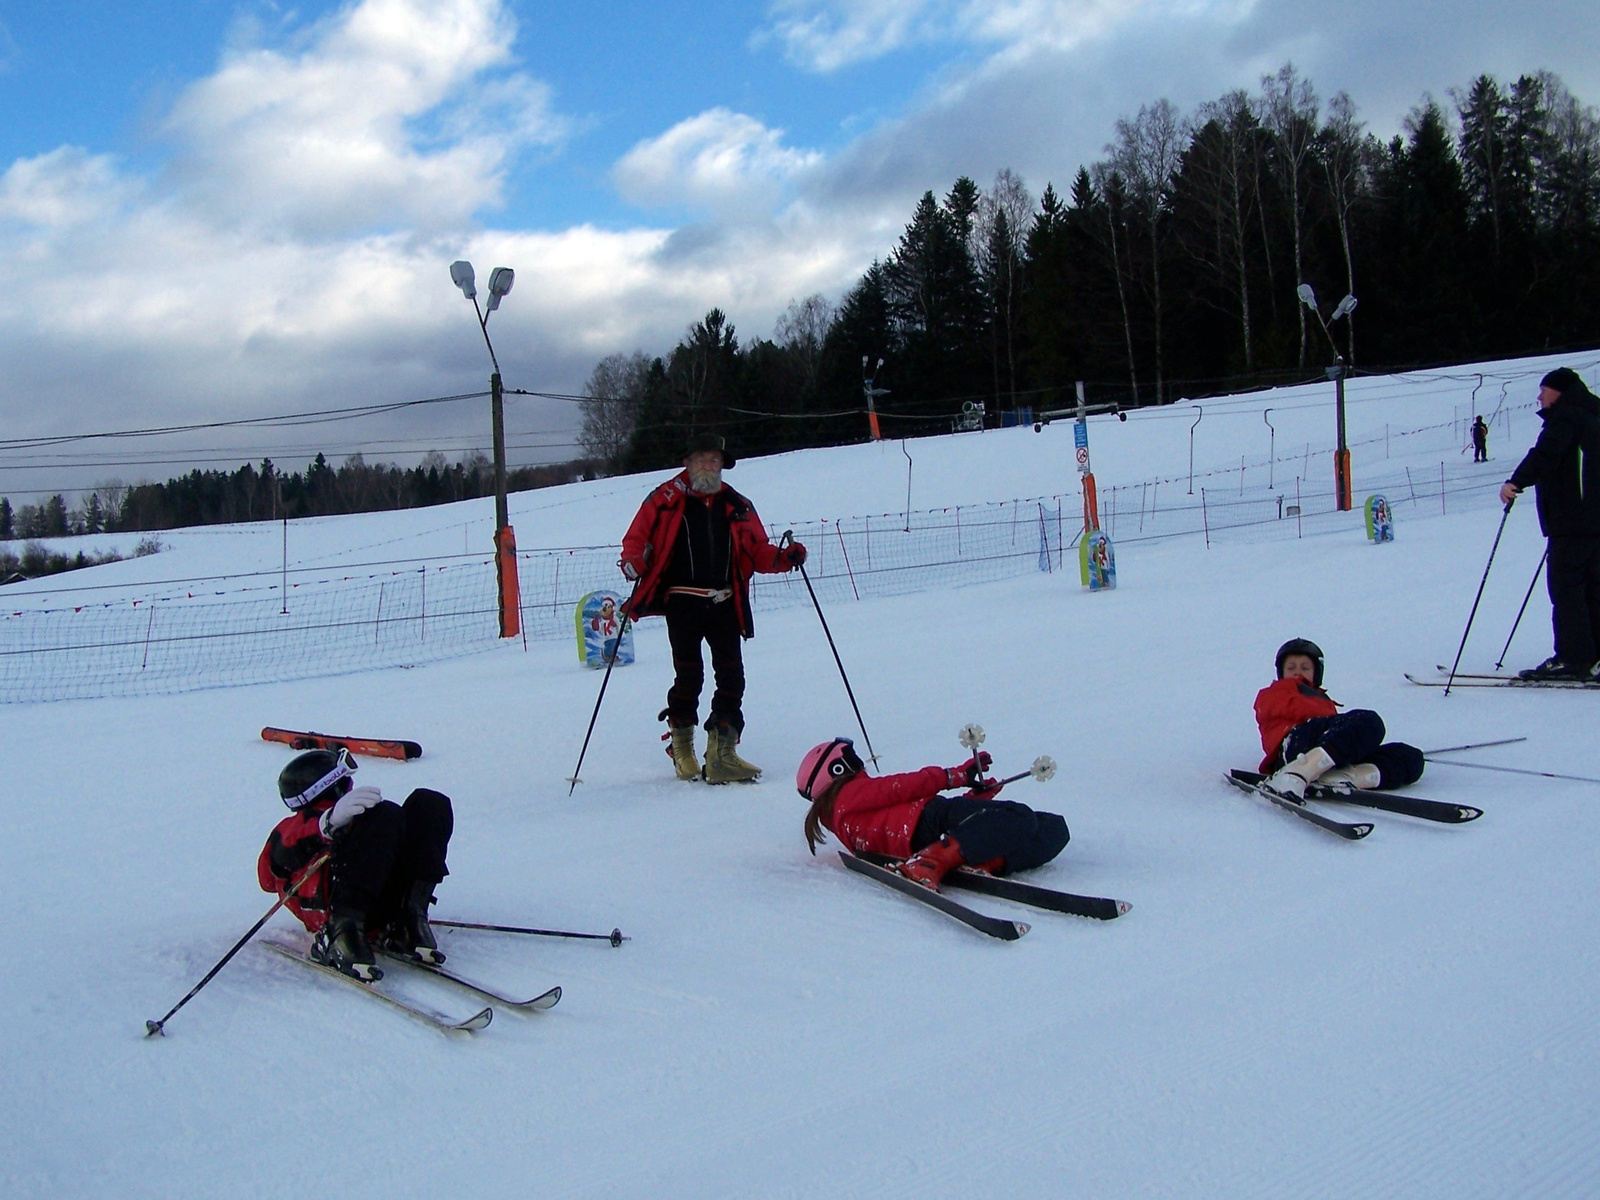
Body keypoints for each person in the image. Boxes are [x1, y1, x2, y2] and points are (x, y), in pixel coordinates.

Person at [620, 434, 807, 783]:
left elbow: (757, 550)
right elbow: (636, 539)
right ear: (687, 463)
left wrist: (784, 559)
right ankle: (682, 747)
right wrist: (633, 561)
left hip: (723, 601)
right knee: (689, 676)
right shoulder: (663, 499)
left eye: (714, 460)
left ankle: (722, 753)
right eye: (701, 459)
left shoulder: (737, 504)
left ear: (722, 465)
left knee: (732, 676)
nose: (708, 465)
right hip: (682, 602)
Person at [258, 747, 453, 981]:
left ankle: (408, 918)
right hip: (336, 909)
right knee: (384, 814)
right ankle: (340, 931)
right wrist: (325, 826)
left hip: (381, 907)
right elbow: (268, 875)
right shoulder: (296, 827)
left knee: (429, 804)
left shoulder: (358, 818)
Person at [796, 738, 1069, 890]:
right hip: (930, 819)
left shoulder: (845, 822)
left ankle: (975, 860)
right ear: (837, 771)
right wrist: (954, 776)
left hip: (928, 832)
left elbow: (894, 812)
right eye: (852, 760)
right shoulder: (849, 796)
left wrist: (972, 803)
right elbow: (902, 787)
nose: (860, 767)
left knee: (1050, 829)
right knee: (1023, 818)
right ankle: (934, 861)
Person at [1498, 367, 1600, 681]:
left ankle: (1573, 658)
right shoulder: (1594, 414)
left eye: (1544, 390)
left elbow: (1546, 454)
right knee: (1594, 589)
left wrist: (1516, 482)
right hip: (1594, 522)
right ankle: (1593, 655)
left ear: (1560, 391)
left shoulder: (1567, 416)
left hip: (1572, 521)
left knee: (1566, 588)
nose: (1540, 397)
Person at [1255, 638, 1424, 799]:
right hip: (1292, 746)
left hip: (1325, 752)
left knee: (1410, 757)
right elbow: (1291, 710)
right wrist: (1348, 728)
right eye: (1291, 668)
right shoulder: (1273, 693)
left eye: (1305, 668)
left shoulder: (1322, 700)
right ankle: (1295, 773)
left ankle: (1341, 778)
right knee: (1368, 722)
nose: (1298, 672)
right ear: (1281, 673)